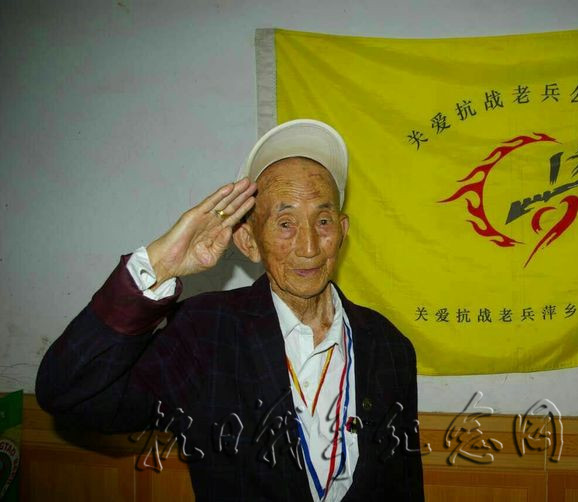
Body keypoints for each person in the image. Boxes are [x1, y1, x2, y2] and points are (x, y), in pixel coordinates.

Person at [36, 119, 424, 501]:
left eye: (323, 221)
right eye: (285, 223)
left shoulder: (388, 346)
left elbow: (404, 481)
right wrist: (158, 267)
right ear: (248, 241)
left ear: (342, 231)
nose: (309, 247)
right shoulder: (204, 333)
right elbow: (71, 395)